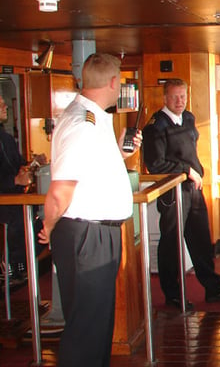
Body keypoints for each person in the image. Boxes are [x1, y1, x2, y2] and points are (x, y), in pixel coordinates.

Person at [37, 53, 142, 366]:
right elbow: (60, 190)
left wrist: (120, 153)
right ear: (113, 82)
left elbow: (90, 171)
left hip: (97, 233)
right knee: (86, 327)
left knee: (96, 325)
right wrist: (50, 226)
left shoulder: (93, 119)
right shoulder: (82, 123)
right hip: (85, 234)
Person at [142, 78, 220, 308]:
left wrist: (195, 172)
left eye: (183, 96)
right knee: (171, 242)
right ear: (165, 98)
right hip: (172, 191)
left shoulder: (188, 118)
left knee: (200, 240)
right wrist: (186, 170)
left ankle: (213, 288)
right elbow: (155, 164)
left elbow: (191, 150)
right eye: (175, 97)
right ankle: (173, 294)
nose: (179, 101)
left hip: (193, 189)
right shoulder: (155, 127)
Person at [0, 95, 44, 285]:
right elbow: (13, 177)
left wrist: (32, 166)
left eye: (4, 102)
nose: (5, 107)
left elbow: (17, 167)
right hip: (5, 210)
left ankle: (19, 265)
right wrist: (14, 180)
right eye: (0, 104)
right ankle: (10, 265)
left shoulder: (7, 139)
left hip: (18, 204)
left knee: (42, 222)